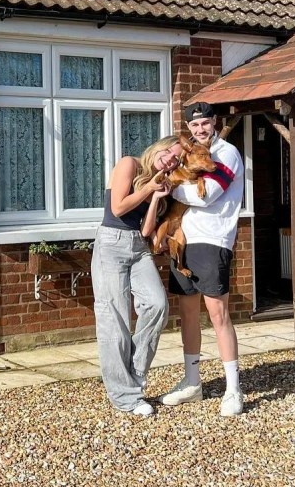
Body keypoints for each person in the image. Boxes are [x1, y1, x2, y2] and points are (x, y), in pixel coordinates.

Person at [157, 102, 246, 417]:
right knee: (188, 314)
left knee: (218, 315)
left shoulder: (226, 154)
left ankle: (233, 390)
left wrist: (172, 189)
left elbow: (207, 194)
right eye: (194, 126)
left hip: (213, 240)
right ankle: (193, 383)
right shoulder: (189, 153)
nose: (200, 130)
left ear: (215, 123)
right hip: (184, 240)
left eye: (205, 124)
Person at [92, 135, 184, 416]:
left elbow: (146, 231)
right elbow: (118, 208)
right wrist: (149, 188)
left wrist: (156, 197)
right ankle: (125, 397)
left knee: (157, 305)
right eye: (169, 152)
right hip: (111, 244)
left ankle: (133, 375)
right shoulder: (129, 164)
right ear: (158, 147)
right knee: (114, 320)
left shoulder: (160, 183)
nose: (170, 159)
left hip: (138, 247)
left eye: (176, 159)